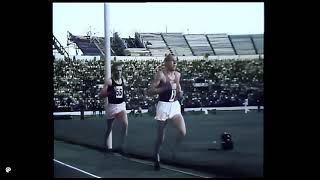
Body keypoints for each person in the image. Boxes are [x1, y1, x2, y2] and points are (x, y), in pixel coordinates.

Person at [147, 54, 186, 171]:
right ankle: (157, 156)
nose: (175, 63)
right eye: (173, 61)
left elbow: (178, 89)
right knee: (160, 138)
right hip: (163, 106)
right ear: (166, 62)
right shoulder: (161, 75)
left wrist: (180, 93)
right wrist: (163, 89)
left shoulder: (177, 75)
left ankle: (173, 151)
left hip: (174, 106)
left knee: (182, 132)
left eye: (176, 61)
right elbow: (150, 91)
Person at [100, 62, 128, 154]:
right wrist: (111, 92)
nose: (119, 72)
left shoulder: (123, 80)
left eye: (120, 70)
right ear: (113, 72)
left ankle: (121, 146)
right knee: (109, 128)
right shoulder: (110, 81)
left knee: (125, 124)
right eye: (117, 71)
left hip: (121, 106)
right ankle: (104, 145)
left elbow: (123, 90)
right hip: (112, 107)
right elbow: (101, 94)